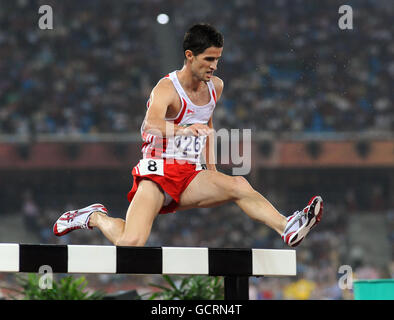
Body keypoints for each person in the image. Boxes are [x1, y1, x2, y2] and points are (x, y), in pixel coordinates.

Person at [53, 23, 323, 248]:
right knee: (131, 244)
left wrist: (213, 171)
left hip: (191, 173)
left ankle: (287, 226)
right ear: (190, 56)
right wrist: (183, 130)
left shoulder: (215, 86)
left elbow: (209, 126)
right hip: (157, 172)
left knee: (238, 184)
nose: (214, 66)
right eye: (209, 59)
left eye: (217, 59)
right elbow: (150, 124)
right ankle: (94, 217)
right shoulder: (166, 88)